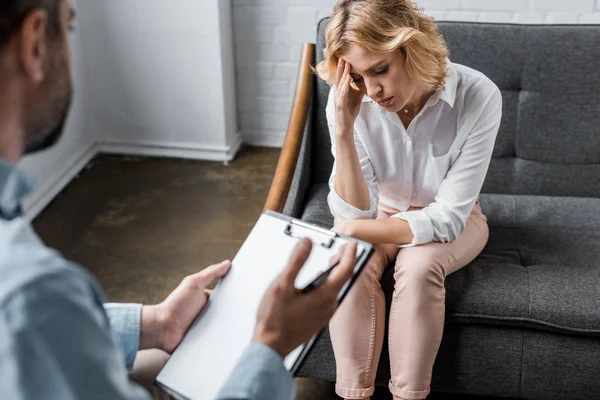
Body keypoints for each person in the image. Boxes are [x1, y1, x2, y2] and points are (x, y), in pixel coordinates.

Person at [0, 1, 358, 399]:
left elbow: (51, 331)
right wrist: (271, 346)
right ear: (35, 43)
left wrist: (156, 322)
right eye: (68, 28)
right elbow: (36, 317)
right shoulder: (31, 293)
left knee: (161, 362)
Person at [315, 1, 503, 399]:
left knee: (418, 268)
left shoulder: (478, 95)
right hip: (383, 212)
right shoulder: (352, 101)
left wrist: (351, 229)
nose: (373, 90)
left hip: (460, 219)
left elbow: (449, 218)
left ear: (412, 49)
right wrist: (344, 131)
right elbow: (356, 211)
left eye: (380, 69)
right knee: (350, 260)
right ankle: (352, 393)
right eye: (360, 76)